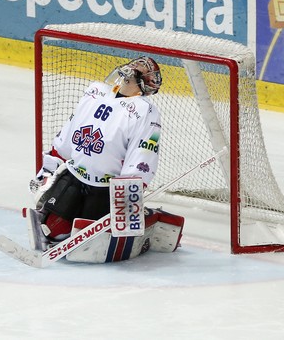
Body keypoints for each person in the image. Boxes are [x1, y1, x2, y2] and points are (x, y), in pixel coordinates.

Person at [27, 56, 184, 262]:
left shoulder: (144, 111)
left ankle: (151, 219)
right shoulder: (96, 92)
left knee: (92, 247)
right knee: (55, 232)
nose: (130, 70)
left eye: (137, 71)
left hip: (106, 188)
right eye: (132, 66)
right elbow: (70, 130)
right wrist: (49, 168)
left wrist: (129, 199)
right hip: (74, 175)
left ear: (143, 83)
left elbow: (143, 152)